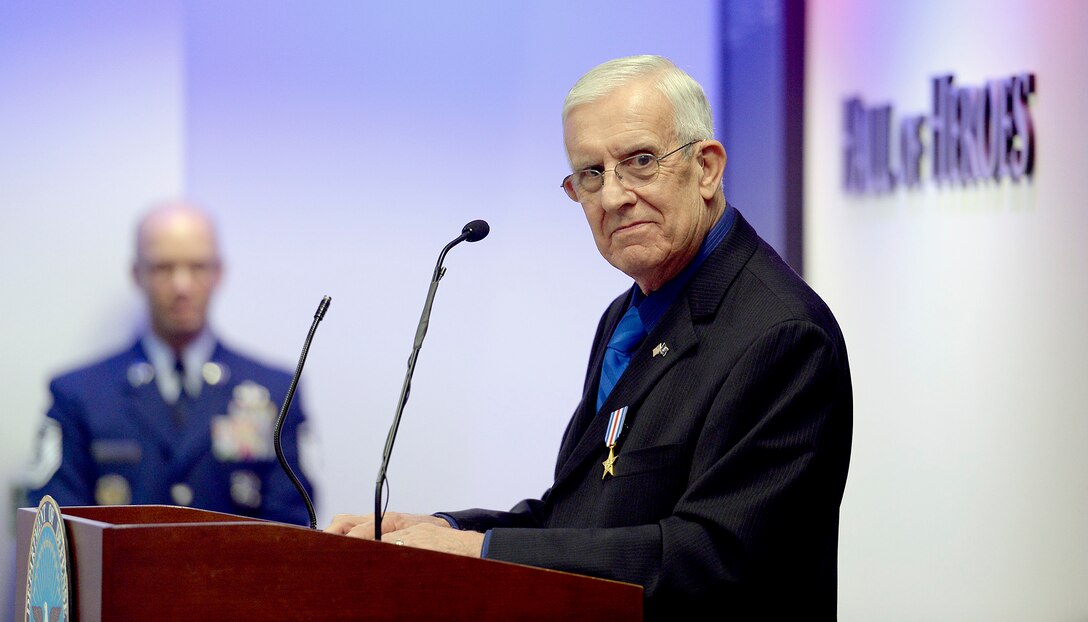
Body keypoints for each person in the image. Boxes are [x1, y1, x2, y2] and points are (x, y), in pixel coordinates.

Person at [326, 55, 852, 619]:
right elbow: (577, 518)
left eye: (640, 162)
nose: (612, 197)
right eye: (590, 174)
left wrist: (478, 550)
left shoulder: (782, 335)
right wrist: (444, 530)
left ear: (706, 168)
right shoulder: (626, 316)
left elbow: (716, 559)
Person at [23, 200, 316, 525]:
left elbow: (294, 527)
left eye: (197, 267)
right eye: (163, 268)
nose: (181, 286)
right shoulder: (78, 394)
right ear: (138, 275)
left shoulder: (276, 391)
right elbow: (52, 530)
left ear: (218, 273)